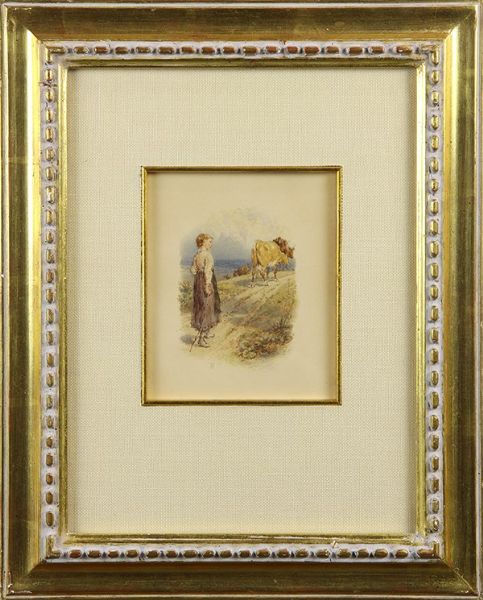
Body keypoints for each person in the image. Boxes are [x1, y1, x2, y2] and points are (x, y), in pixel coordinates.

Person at [190, 233, 221, 348]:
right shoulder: (208, 255)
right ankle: (201, 339)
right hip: (206, 282)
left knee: (201, 305)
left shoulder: (197, 255)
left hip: (198, 282)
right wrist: (207, 285)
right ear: (203, 242)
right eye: (209, 242)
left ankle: (206, 333)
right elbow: (208, 271)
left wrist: (199, 276)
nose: (211, 244)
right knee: (207, 307)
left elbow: (193, 270)